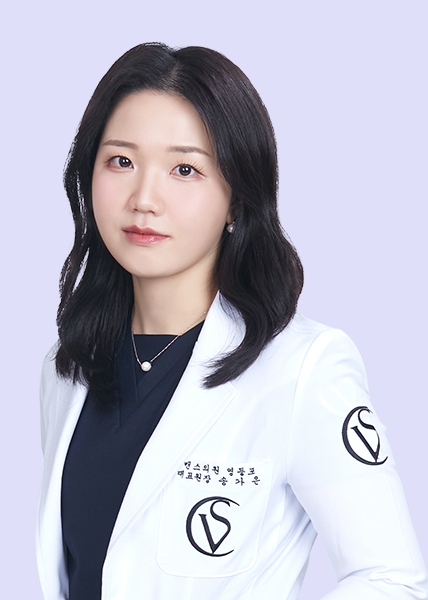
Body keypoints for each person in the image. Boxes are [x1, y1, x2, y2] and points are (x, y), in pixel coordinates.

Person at [36, 43, 427, 600]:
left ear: (237, 200)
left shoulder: (302, 369)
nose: (144, 199)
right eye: (121, 161)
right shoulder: (67, 366)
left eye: (185, 169)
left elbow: (391, 579)